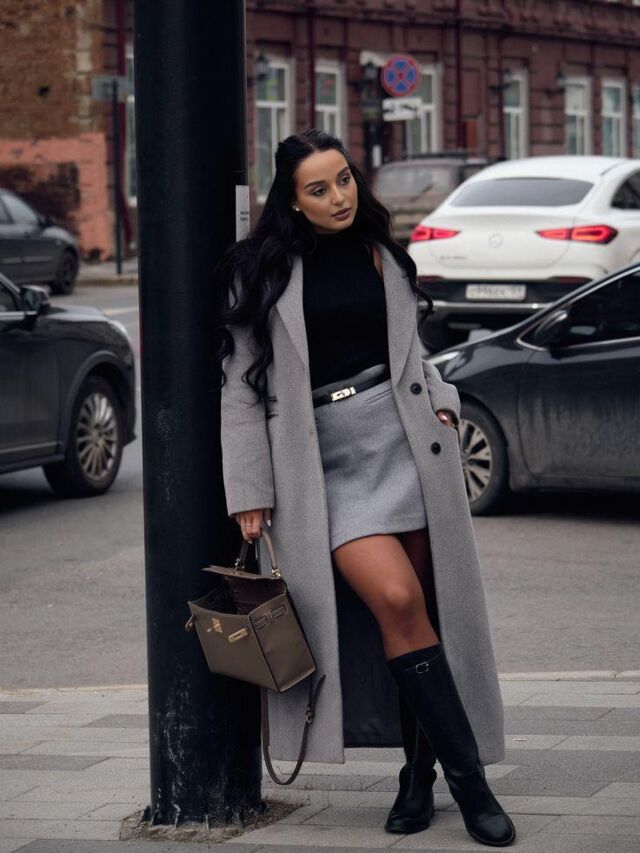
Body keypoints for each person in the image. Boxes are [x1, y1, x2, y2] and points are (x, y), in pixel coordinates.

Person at [215, 128, 516, 847]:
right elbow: (239, 387)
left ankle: (419, 779)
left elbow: (413, 352)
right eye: (318, 189)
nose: (338, 197)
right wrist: (249, 487)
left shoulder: (382, 253)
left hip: (406, 439)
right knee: (398, 598)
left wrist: (443, 400)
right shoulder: (260, 270)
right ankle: (473, 788)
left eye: (344, 179)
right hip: (323, 462)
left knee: (425, 613)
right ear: (292, 200)